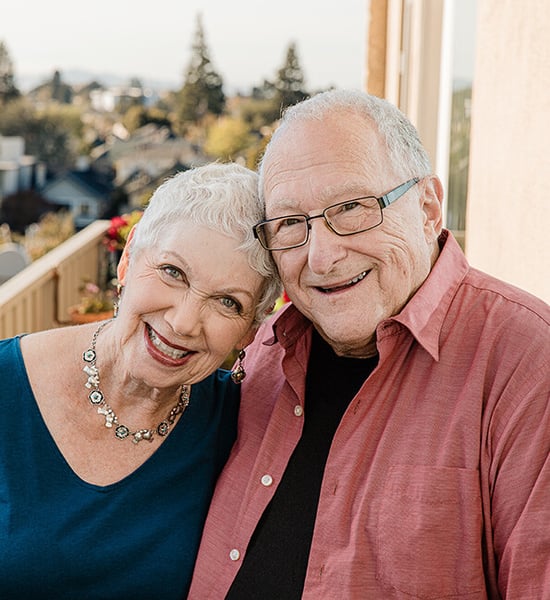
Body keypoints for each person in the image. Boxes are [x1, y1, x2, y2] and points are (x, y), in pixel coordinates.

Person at [189, 90, 550, 599]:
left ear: (427, 208)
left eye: (353, 208)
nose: (322, 256)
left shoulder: (528, 364)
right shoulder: (265, 357)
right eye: (291, 224)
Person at [0, 162, 281, 599]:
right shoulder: (5, 385)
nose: (184, 322)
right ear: (128, 259)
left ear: (250, 330)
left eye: (228, 302)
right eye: (173, 272)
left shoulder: (243, 426)